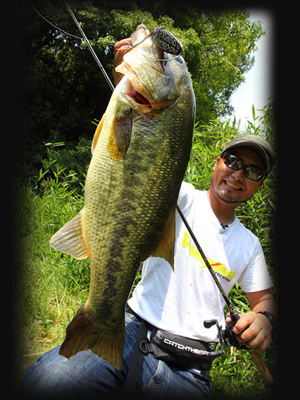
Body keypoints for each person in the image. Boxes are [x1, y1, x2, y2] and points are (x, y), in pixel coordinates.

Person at [20, 26, 277, 399]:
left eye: (252, 172)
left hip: (190, 369)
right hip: (130, 330)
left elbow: (265, 300)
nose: (238, 175)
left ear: (259, 185)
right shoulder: (179, 196)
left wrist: (264, 319)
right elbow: (123, 149)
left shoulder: (250, 245)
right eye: (233, 161)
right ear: (217, 163)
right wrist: (124, 73)